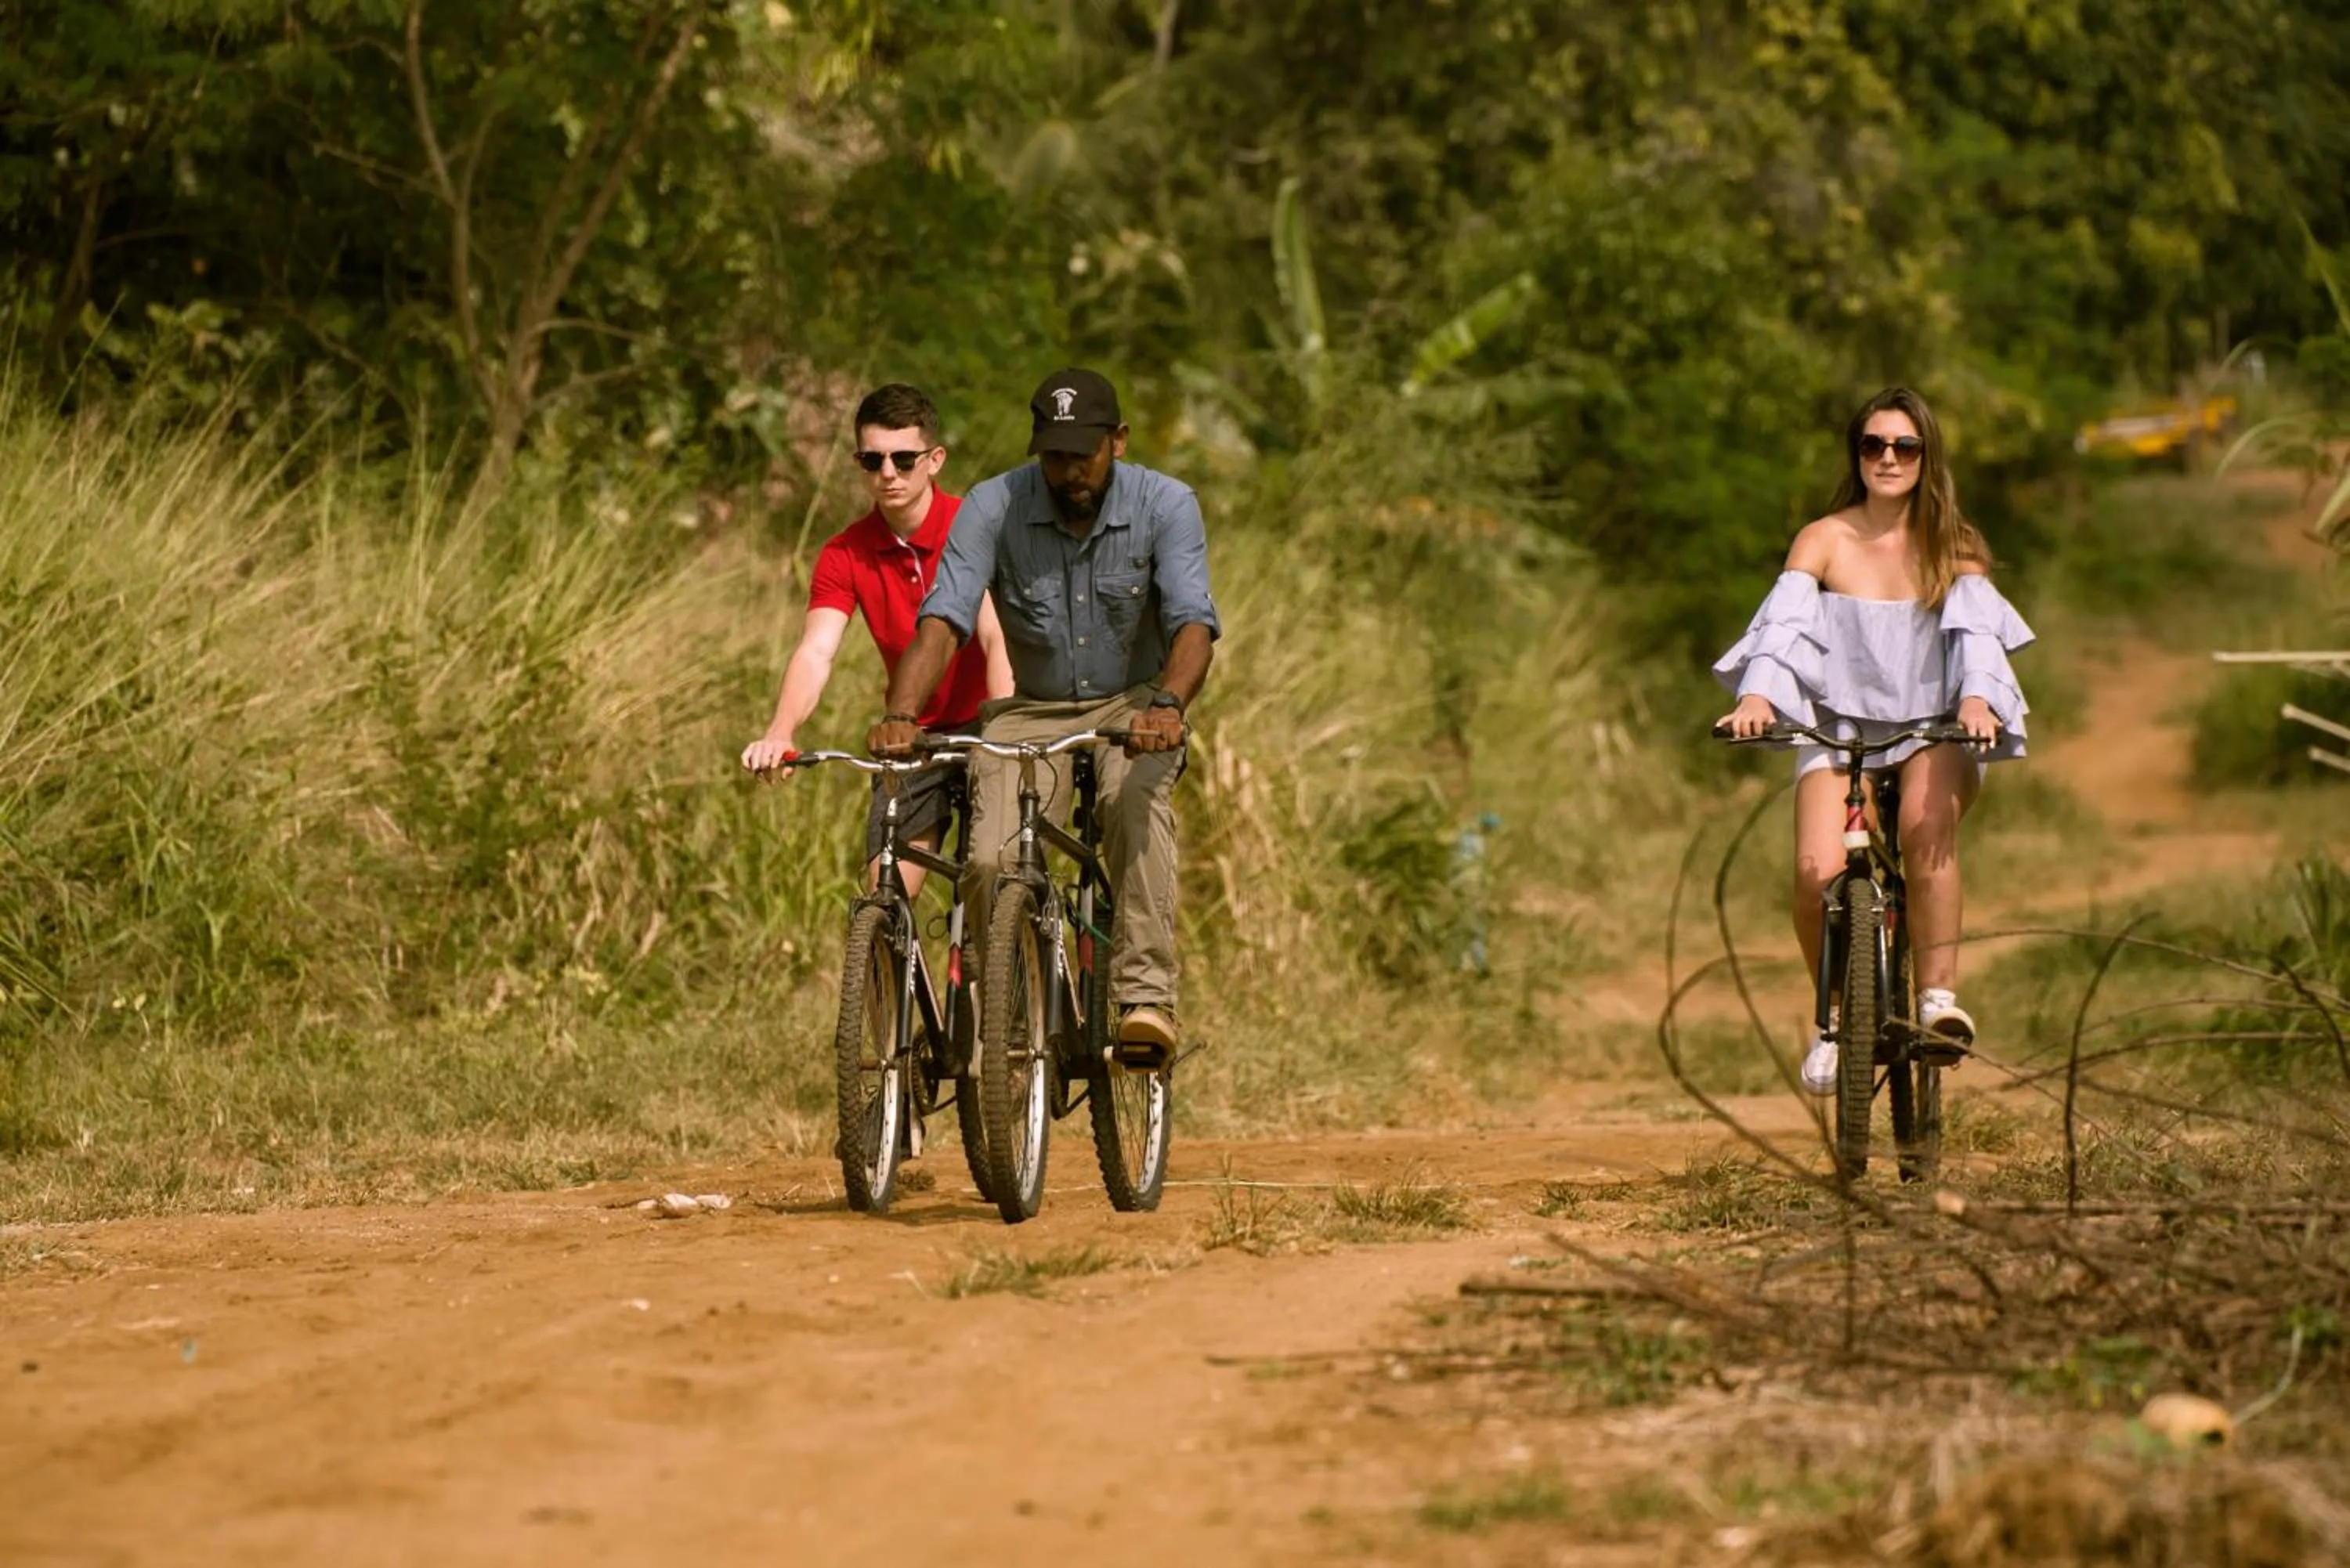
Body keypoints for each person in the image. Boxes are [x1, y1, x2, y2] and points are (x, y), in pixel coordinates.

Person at [866, 368, 1219, 1068]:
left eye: (1082, 454)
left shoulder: (1167, 504)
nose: (1067, 472)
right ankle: (1005, 1004)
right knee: (992, 856)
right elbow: (944, 618)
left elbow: (1192, 623)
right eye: (1053, 456)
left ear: (1116, 442)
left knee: (1131, 802)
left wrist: (1169, 706)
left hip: (1135, 706)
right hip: (1032, 712)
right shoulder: (995, 506)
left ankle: (1144, 999)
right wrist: (902, 713)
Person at [1714, 385, 2034, 1093]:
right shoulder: (1825, 538)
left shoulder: (1955, 545)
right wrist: (1758, 697)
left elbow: (1977, 642)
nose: (1888, 458)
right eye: (1873, 445)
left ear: (1926, 456)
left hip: (1933, 726)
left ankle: (1938, 1004)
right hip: (1839, 725)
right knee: (1813, 870)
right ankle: (1834, 1018)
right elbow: (1784, 627)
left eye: (1904, 446)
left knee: (1925, 830)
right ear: (1857, 455)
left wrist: (1978, 702)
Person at [741, 383, 1013, 893]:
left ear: (935, 460)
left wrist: (1005, 728)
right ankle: (889, 965)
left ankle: (990, 967)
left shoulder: (977, 527)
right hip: (910, 732)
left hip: (991, 722)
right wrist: (781, 730)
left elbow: (996, 637)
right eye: (873, 460)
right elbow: (817, 650)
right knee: (885, 893)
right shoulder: (845, 552)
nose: (888, 474)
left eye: (904, 459)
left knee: (991, 879)